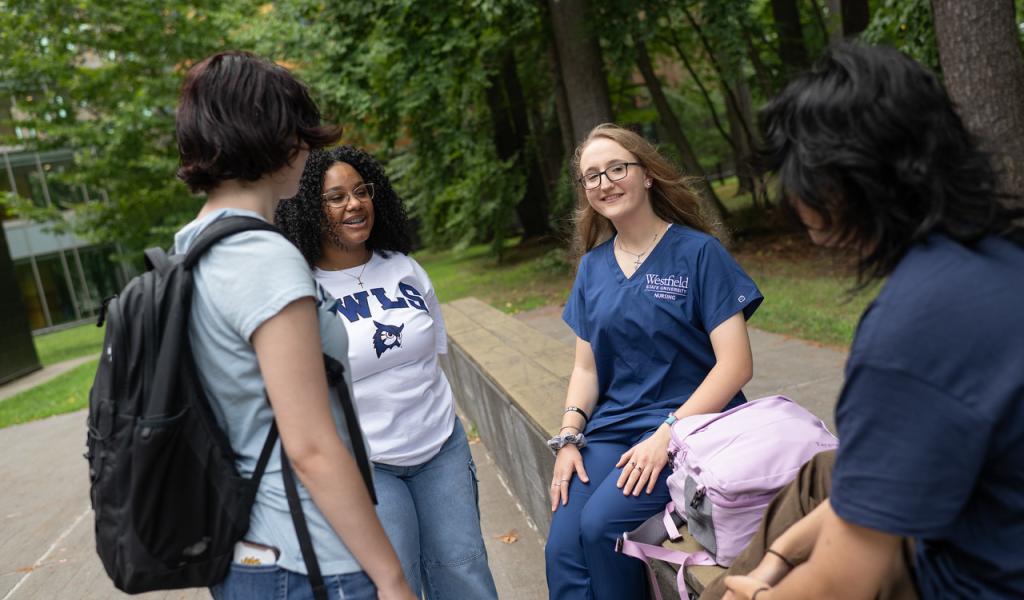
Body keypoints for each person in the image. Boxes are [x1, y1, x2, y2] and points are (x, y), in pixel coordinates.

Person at [716, 43, 1024, 600]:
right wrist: (779, 558)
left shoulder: (911, 331)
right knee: (820, 475)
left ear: (842, 182)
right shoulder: (1000, 257)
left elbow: (849, 581)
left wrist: (758, 595)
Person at [173, 52, 415, 600]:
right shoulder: (264, 257)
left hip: (241, 549)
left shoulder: (191, 245)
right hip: (311, 558)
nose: (308, 148)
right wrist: (390, 575)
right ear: (275, 137)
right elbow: (309, 445)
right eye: (301, 133)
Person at [544, 123, 763, 599]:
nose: (604, 182)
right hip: (612, 430)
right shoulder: (592, 267)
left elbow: (735, 366)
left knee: (603, 527)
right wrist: (568, 438)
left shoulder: (699, 253)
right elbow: (587, 369)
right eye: (591, 176)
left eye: (617, 168)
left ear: (646, 175)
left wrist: (668, 435)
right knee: (562, 544)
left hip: (690, 429)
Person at [274, 145, 499, 599]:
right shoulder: (301, 292)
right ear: (308, 211)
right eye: (335, 197)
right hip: (366, 464)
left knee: (465, 570)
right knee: (396, 584)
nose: (354, 204)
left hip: (441, 448)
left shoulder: (405, 268)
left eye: (361, 191)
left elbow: (428, 356)